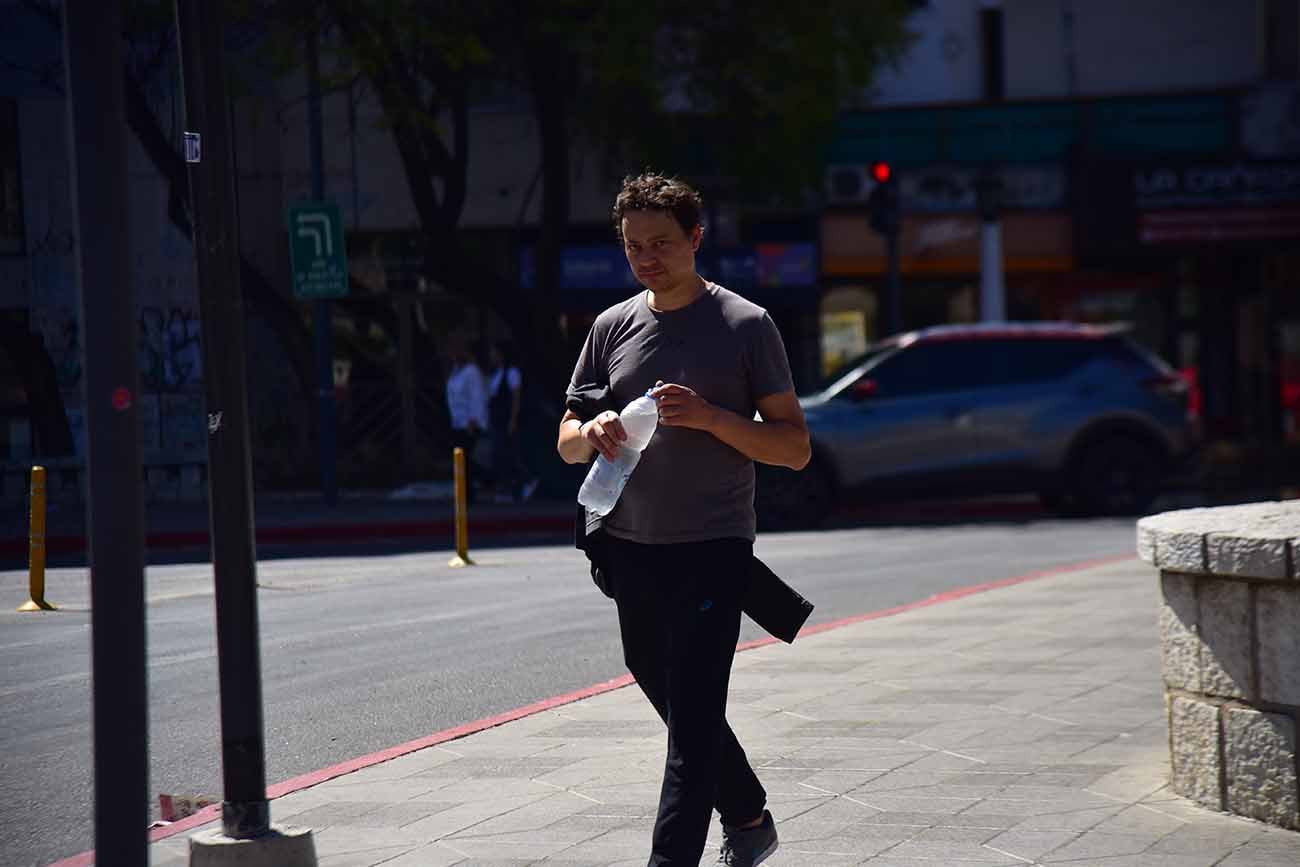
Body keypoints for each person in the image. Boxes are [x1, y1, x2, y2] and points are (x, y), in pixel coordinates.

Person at [556, 173, 810, 867]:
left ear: (697, 238)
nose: (647, 258)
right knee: (661, 682)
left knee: (692, 726)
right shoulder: (611, 327)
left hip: (714, 546)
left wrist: (711, 417)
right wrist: (595, 427)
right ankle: (751, 813)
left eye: (662, 242)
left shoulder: (746, 325)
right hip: (629, 545)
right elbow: (567, 436)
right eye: (634, 245)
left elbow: (794, 446)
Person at [486, 340, 539, 502]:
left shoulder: (512, 372)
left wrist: (513, 420)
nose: (492, 356)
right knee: (500, 454)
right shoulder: (496, 373)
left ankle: (526, 481)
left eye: (495, 352)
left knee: (509, 453)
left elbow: (516, 397)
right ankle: (508, 487)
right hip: (497, 419)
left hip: (507, 419)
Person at [445, 338, 488, 502]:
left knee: (468, 461)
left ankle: (471, 494)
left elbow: (476, 397)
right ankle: (464, 494)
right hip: (457, 421)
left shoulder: (471, 371)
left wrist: (473, 419)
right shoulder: (456, 371)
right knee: (462, 460)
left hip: (469, 423)